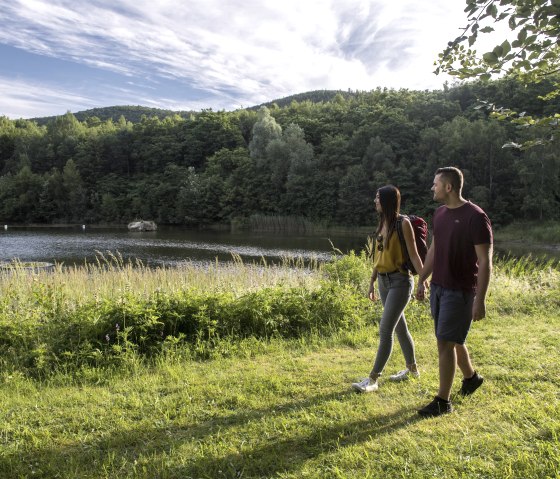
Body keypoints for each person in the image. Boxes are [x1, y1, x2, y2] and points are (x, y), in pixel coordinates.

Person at [416, 167, 493, 417]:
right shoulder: (439, 214)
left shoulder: (476, 217)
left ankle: (442, 401)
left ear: (448, 187)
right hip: (439, 287)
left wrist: (479, 301)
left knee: (444, 343)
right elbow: (434, 250)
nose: (432, 188)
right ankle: (471, 378)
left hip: (460, 291)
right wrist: (422, 279)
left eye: (435, 184)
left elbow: (485, 262)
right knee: (452, 338)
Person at [352, 185, 426, 393]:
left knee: (386, 329)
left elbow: (413, 255)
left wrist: (423, 280)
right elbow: (378, 258)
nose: (374, 201)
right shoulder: (382, 224)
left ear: (386, 201)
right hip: (383, 282)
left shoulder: (403, 224)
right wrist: (372, 282)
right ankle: (412, 370)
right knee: (400, 327)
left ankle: (373, 379)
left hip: (400, 282)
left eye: (377, 198)